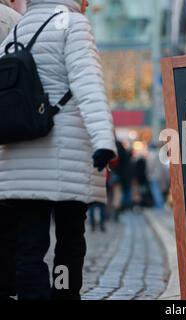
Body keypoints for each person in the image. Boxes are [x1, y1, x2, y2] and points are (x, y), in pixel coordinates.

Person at [0, 0, 116, 300]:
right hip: (68, 154)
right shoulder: (72, 24)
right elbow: (88, 83)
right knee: (68, 240)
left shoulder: (17, 28)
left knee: (29, 244)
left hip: (21, 155)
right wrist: (104, 140)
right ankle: (63, 294)